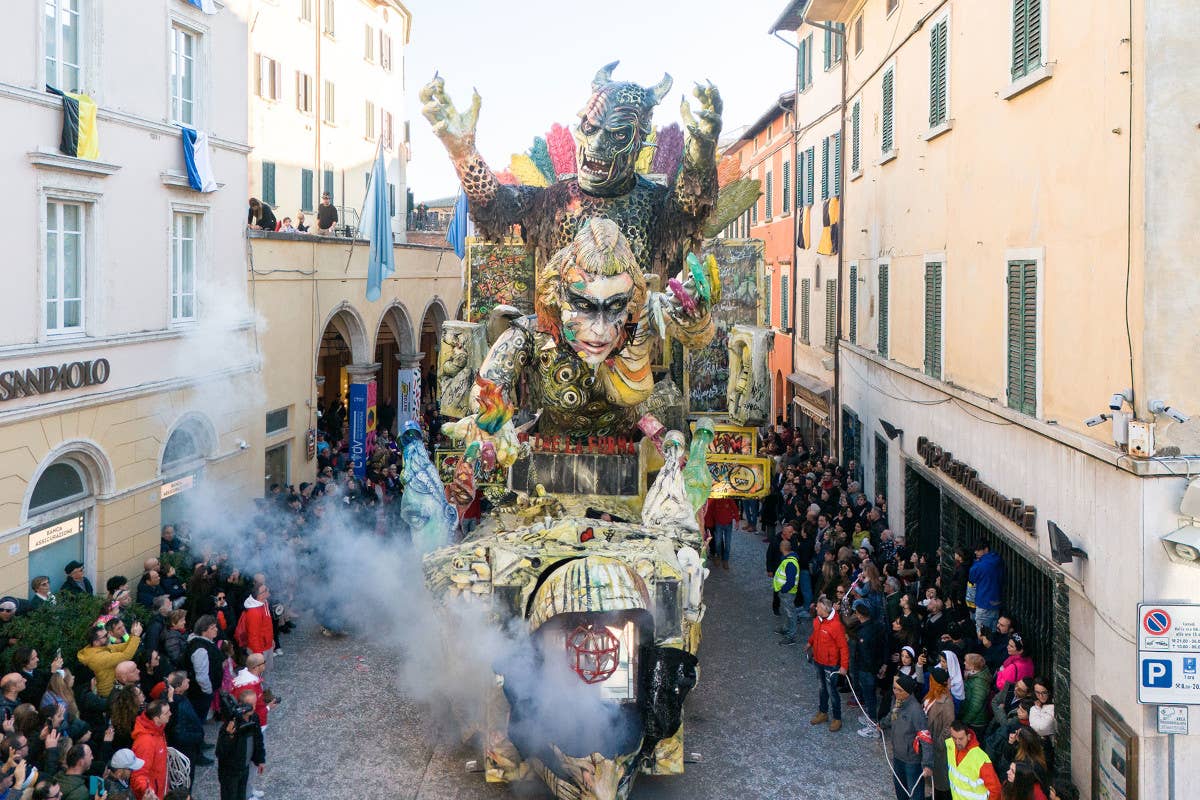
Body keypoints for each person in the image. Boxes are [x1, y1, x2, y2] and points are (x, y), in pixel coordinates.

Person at [806, 597, 849, 731]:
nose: (815, 608)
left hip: (831, 665)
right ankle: (823, 712)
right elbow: (816, 634)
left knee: (832, 691)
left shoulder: (836, 626)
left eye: (818, 607)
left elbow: (843, 647)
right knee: (822, 688)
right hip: (818, 660)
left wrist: (844, 666)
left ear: (824, 610)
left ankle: (837, 718)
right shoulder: (818, 620)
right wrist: (810, 642)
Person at [216, 689, 266, 800]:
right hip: (230, 772)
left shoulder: (254, 718)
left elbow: (258, 740)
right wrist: (229, 735)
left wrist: (260, 759)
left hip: (245, 767)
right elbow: (220, 751)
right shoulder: (230, 725)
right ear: (241, 705)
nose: (253, 707)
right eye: (250, 704)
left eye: (254, 703)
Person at [889, 674, 932, 800]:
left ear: (907, 692)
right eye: (894, 688)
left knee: (915, 794)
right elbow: (892, 716)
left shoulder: (916, 711)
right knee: (900, 788)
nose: (895, 692)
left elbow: (926, 738)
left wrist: (927, 764)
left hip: (911, 761)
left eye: (899, 690)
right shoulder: (897, 701)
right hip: (898, 756)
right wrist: (882, 724)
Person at [76, 622, 142, 698]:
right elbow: (126, 656)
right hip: (110, 694)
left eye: (107, 634)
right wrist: (136, 636)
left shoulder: (99, 648)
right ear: (96, 642)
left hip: (117, 687)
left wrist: (133, 635)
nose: (108, 636)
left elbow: (124, 646)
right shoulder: (97, 658)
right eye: (105, 636)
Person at [850, 599, 886, 736]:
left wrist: (867, 669)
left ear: (859, 614)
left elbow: (865, 654)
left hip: (866, 669)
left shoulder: (864, 632)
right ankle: (870, 717)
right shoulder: (875, 626)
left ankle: (872, 725)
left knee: (869, 696)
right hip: (871, 668)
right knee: (869, 696)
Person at [946, 719, 1002, 800]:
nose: (957, 742)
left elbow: (996, 790)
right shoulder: (950, 744)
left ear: (968, 736)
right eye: (954, 738)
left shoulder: (980, 758)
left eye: (961, 739)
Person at [924, 667, 956, 800]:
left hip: (939, 747)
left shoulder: (946, 703)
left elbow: (949, 727)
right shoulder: (932, 696)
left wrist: (938, 743)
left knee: (941, 781)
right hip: (931, 741)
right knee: (935, 779)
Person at [131, 700, 171, 800]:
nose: (170, 714)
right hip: (154, 794)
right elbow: (138, 774)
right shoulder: (146, 742)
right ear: (156, 718)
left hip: (160, 789)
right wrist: (147, 791)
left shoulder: (158, 729)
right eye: (166, 713)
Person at [185, 616, 222, 722]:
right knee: (198, 719)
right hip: (200, 693)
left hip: (202, 691)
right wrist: (208, 691)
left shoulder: (204, 643)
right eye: (212, 628)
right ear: (203, 631)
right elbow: (201, 675)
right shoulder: (200, 649)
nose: (216, 629)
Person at [234, 585, 274, 672]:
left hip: (267, 644)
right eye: (265, 590)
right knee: (259, 674)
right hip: (260, 649)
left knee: (267, 671)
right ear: (260, 596)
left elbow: (267, 626)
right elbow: (253, 636)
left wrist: (271, 640)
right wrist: (258, 655)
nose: (268, 590)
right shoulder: (254, 612)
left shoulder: (264, 602)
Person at [968, 541, 1004, 632]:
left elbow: (972, 578)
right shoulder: (997, 559)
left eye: (978, 550)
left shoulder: (980, 565)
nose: (975, 552)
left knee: (982, 634)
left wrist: (976, 563)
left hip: (984, 602)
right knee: (993, 631)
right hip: (996, 601)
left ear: (986, 549)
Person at [772, 539, 800, 644]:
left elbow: (790, 582)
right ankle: (786, 629)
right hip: (786, 593)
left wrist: (783, 590)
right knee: (788, 613)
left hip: (787, 593)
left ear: (782, 548)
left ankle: (791, 636)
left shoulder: (790, 562)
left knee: (790, 614)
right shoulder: (789, 560)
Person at [960, 653, 993, 740]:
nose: (964, 663)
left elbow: (976, 706)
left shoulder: (979, 684)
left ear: (973, 667)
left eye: (966, 662)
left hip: (976, 722)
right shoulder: (974, 674)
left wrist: (964, 721)